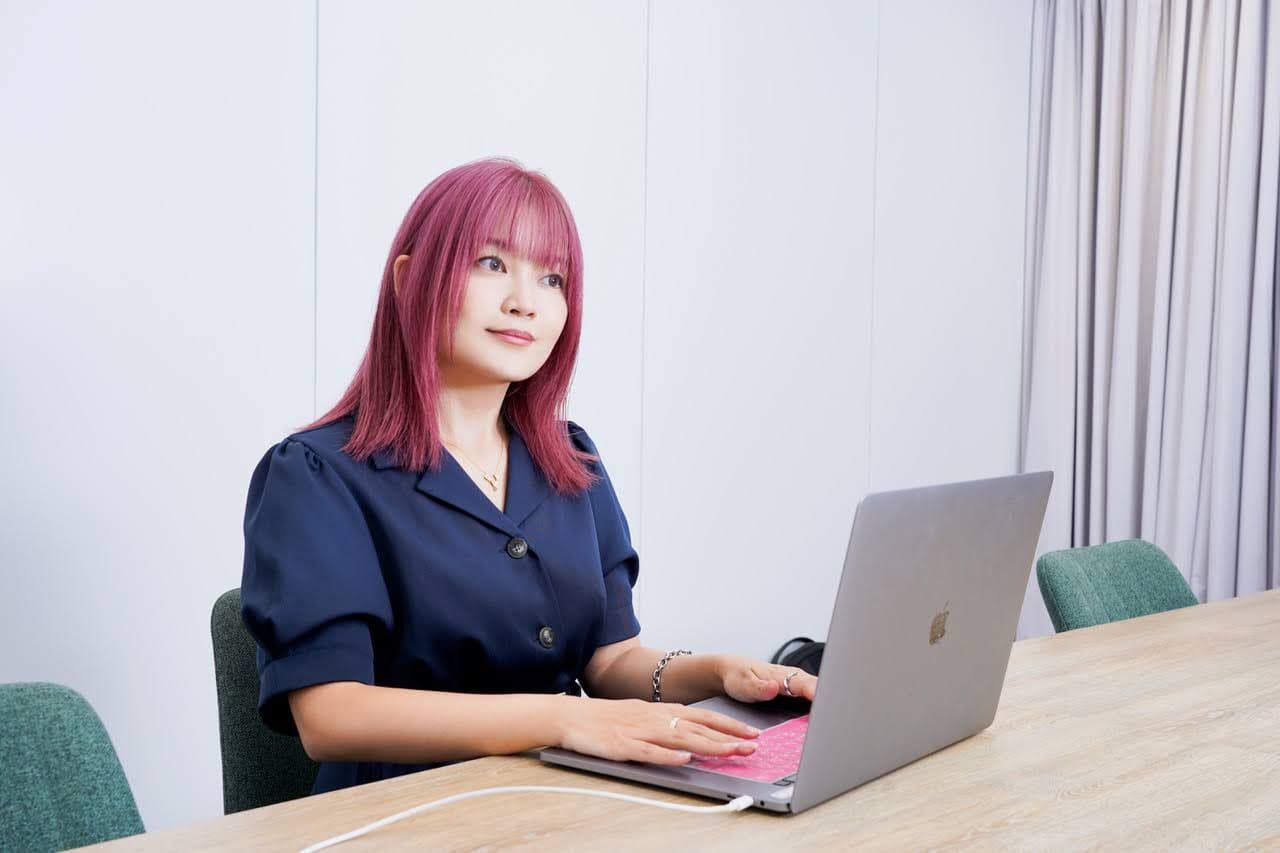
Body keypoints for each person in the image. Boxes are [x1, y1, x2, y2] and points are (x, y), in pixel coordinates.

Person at [240, 156, 819, 794]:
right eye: (491, 264)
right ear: (409, 281)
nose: (525, 302)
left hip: (564, 800)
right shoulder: (319, 474)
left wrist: (717, 672)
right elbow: (332, 715)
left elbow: (610, 660)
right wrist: (563, 719)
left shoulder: (571, 461)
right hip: (400, 814)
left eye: (552, 278)